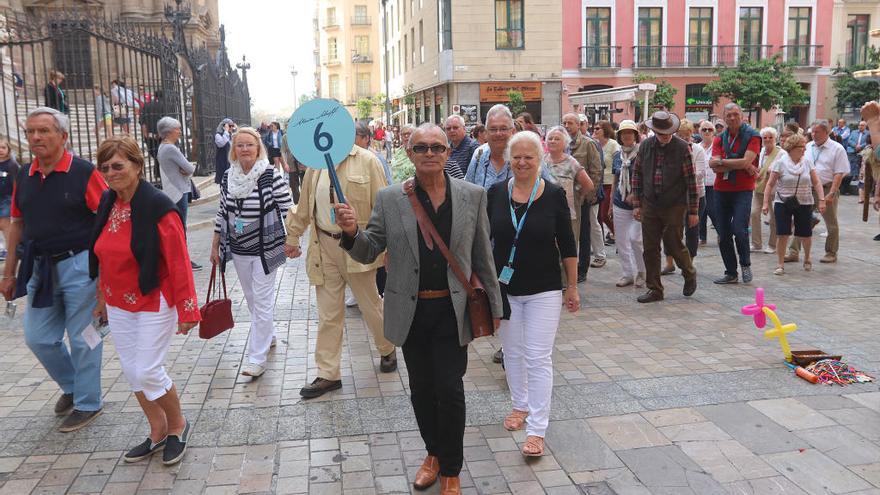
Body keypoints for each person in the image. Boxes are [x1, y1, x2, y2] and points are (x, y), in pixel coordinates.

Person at [335, 123, 502, 494]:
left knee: (450, 389)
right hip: (411, 311)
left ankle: (452, 469)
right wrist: (350, 233)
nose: (430, 154)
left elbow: (482, 256)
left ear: (447, 153)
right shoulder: (391, 198)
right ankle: (433, 454)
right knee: (422, 391)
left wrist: (495, 305)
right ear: (409, 154)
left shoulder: (472, 195)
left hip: (452, 312)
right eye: (421, 148)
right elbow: (369, 248)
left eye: (437, 148)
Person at [89, 135, 199, 465]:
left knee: (148, 369)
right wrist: (101, 300)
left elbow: (179, 261)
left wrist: (188, 309)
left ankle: (178, 424)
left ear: (137, 166)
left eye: (118, 165)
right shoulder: (108, 203)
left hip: (155, 299)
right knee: (132, 370)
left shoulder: (159, 207)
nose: (110, 172)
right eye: (105, 167)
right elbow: (104, 256)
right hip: (118, 303)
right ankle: (157, 430)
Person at [0, 107, 107, 432]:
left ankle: (88, 402)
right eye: (31, 131)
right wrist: (9, 272)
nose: (35, 137)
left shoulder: (83, 172)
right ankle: (73, 385)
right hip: (40, 267)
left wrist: (105, 278)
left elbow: (106, 222)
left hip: (81, 264)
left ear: (63, 136)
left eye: (44, 131)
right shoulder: (24, 175)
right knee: (38, 338)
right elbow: (17, 223)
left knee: (84, 337)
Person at [284, 131, 397, 399]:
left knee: (371, 306)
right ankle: (328, 373)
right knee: (328, 314)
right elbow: (303, 206)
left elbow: (384, 208)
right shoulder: (315, 165)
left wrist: (390, 248)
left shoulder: (368, 161)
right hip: (324, 246)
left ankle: (387, 348)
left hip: (357, 246)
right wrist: (293, 236)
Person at [488, 131, 578, 457]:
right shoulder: (495, 193)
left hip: (544, 289)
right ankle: (520, 405)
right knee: (511, 353)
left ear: (539, 160)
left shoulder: (553, 195)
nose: (522, 162)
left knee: (538, 357)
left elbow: (568, 244)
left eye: (529, 157)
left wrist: (572, 285)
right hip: (505, 287)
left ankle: (537, 428)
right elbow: (485, 242)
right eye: (517, 157)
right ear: (509, 160)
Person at [210, 127, 292, 378]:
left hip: (267, 247)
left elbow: (288, 208)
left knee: (263, 300)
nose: (245, 149)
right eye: (240, 145)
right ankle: (269, 334)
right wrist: (215, 244)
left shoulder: (269, 175)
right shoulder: (227, 177)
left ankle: (257, 358)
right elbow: (223, 212)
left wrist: (294, 241)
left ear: (259, 148)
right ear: (233, 150)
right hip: (239, 247)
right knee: (253, 299)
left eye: (249, 145)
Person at [631, 111, 699, 303]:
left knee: (674, 243)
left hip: (675, 204)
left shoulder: (683, 148)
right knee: (650, 248)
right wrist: (637, 204)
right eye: (661, 133)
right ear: (654, 131)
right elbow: (637, 175)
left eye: (669, 132)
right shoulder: (645, 146)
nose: (666, 136)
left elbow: (691, 181)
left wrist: (693, 211)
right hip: (650, 204)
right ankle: (655, 289)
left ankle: (689, 272)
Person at [785, 120, 849, 264]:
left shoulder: (837, 148)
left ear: (827, 132)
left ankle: (831, 252)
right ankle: (793, 251)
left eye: (817, 132)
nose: (813, 134)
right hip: (807, 188)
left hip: (827, 188)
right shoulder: (807, 146)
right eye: (812, 132)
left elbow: (839, 173)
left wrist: (832, 193)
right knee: (800, 219)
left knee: (831, 222)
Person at [709, 103, 760, 284]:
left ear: (742, 116)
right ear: (724, 117)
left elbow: (746, 161)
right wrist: (741, 164)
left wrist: (725, 162)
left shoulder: (753, 136)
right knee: (723, 233)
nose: (732, 118)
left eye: (735, 114)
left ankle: (745, 264)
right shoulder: (719, 138)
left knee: (739, 229)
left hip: (743, 190)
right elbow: (712, 166)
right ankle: (731, 272)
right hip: (721, 190)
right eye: (728, 115)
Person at [761, 134, 826, 276]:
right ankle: (780, 263)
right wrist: (765, 203)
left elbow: (816, 182)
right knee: (782, 234)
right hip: (783, 202)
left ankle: (807, 258)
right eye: (800, 148)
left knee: (805, 233)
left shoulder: (807, 162)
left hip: (804, 201)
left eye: (804, 147)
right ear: (791, 148)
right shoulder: (780, 162)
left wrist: (821, 199)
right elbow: (770, 184)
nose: (803, 150)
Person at [156, 117, 202, 272]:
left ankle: (181, 258)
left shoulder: (163, 147)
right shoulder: (170, 148)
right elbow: (190, 168)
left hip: (172, 189)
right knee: (181, 228)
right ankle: (183, 260)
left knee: (178, 227)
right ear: (169, 131)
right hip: (178, 191)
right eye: (178, 129)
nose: (180, 132)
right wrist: (186, 169)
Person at [660, 119, 706, 272]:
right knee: (670, 229)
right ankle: (669, 262)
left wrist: (682, 175)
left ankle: (689, 262)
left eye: (686, 135)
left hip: (695, 196)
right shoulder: (670, 149)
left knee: (692, 230)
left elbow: (700, 173)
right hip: (675, 197)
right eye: (680, 135)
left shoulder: (698, 150)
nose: (683, 138)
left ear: (691, 134)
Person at [561, 113, 603, 282]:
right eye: (564, 122)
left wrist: (589, 194)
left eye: (570, 122)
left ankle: (582, 268)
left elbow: (596, 170)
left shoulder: (588, 143)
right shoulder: (560, 142)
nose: (566, 125)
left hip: (581, 196)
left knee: (583, 233)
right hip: (563, 196)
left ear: (578, 125)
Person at [543, 126, 594, 263]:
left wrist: (577, 196)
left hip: (568, 214)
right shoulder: (541, 161)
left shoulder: (571, 162)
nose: (552, 141)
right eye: (550, 138)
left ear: (565, 143)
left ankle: (568, 282)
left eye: (557, 139)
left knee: (566, 250)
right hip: (545, 212)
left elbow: (588, 185)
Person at [610, 121, 645, 287]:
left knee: (635, 239)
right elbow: (615, 179)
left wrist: (635, 194)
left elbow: (647, 179)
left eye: (630, 133)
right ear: (619, 136)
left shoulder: (642, 154)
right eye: (624, 133)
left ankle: (642, 271)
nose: (627, 136)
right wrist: (610, 204)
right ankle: (627, 273)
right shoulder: (617, 156)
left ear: (636, 135)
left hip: (639, 204)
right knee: (621, 241)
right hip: (619, 202)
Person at [751, 127, 781, 254]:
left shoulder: (781, 153)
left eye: (770, 137)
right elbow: (759, 167)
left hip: (774, 190)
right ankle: (756, 243)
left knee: (774, 217)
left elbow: (776, 170)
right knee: (753, 213)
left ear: (775, 139)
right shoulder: (762, 150)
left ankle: (772, 244)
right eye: (765, 137)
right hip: (759, 188)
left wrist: (764, 171)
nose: (767, 140)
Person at [594, 120, 618, 249]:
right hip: (599, 183)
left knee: (605, 214)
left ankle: (618, 235)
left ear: (605, 130)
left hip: (610, 183)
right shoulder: (595, 145)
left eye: (598, 128)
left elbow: (617, 165)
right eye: (594, 128)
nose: (595, 131)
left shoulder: (613, 145)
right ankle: (600, 245)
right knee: (598, 216)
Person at [697, 121, 717, 245]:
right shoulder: (697, 147)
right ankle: (702, 236)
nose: (707, 132)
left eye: (709, 129)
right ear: (700, 132)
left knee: (712, 210)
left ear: (713, 132)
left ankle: (722, 232)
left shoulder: (717, 146)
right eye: (704, 129)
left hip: (714, 183)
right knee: (701, 212)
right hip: (700, 183)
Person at [0, 140, 20, 260]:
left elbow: (16, 184)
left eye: (3, 147)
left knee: (7, 228)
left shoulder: (12, 165)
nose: (0, 150)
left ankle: (11, 254)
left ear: (8, 150)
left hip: (7, 200)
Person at [139, 89, 166, 169]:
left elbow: (142, 120)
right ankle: (159, 171)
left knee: (155, 153)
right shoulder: (164, 105)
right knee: (161, 153)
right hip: (161, 133)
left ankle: (157, 171)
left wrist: (145, 133)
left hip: (149, 134)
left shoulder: (147, 104)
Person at [845, 120, 869, 195]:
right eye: (859, 125)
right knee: (851, 166)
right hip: (852, 150)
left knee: (860, 167)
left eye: (862, 125)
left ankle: (858, 180)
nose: (860, 126)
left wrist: (860, 146)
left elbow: (868, 142)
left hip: (863, 151)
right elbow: (849, 140)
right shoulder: (853, 132)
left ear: (865, 126)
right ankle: (848, 184)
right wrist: (855, 145)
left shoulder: (868, 133)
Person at [214, 118, 235, 185]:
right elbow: (221, 144)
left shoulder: (230, 135)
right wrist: (226, 131)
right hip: (222, 161)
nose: (231, 128)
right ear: (224, 126)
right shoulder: (218, 135)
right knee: (223, 181)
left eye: (232, 126)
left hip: (230, 161)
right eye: (230, 126)